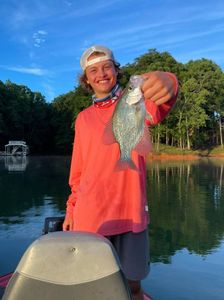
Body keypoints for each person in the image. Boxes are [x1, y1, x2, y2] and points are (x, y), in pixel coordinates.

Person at [63, 45, 178, 300]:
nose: (101, 74)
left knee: (133, 288)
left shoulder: (135, 101)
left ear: (116, 70)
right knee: (90, 287)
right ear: (86, 79)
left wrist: (169, 80)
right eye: (93, 70)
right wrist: (71, 208)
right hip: (90, 217)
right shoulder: (82, 119)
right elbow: (78, 172)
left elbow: (163, 100)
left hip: (131, 213)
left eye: (106, 67)